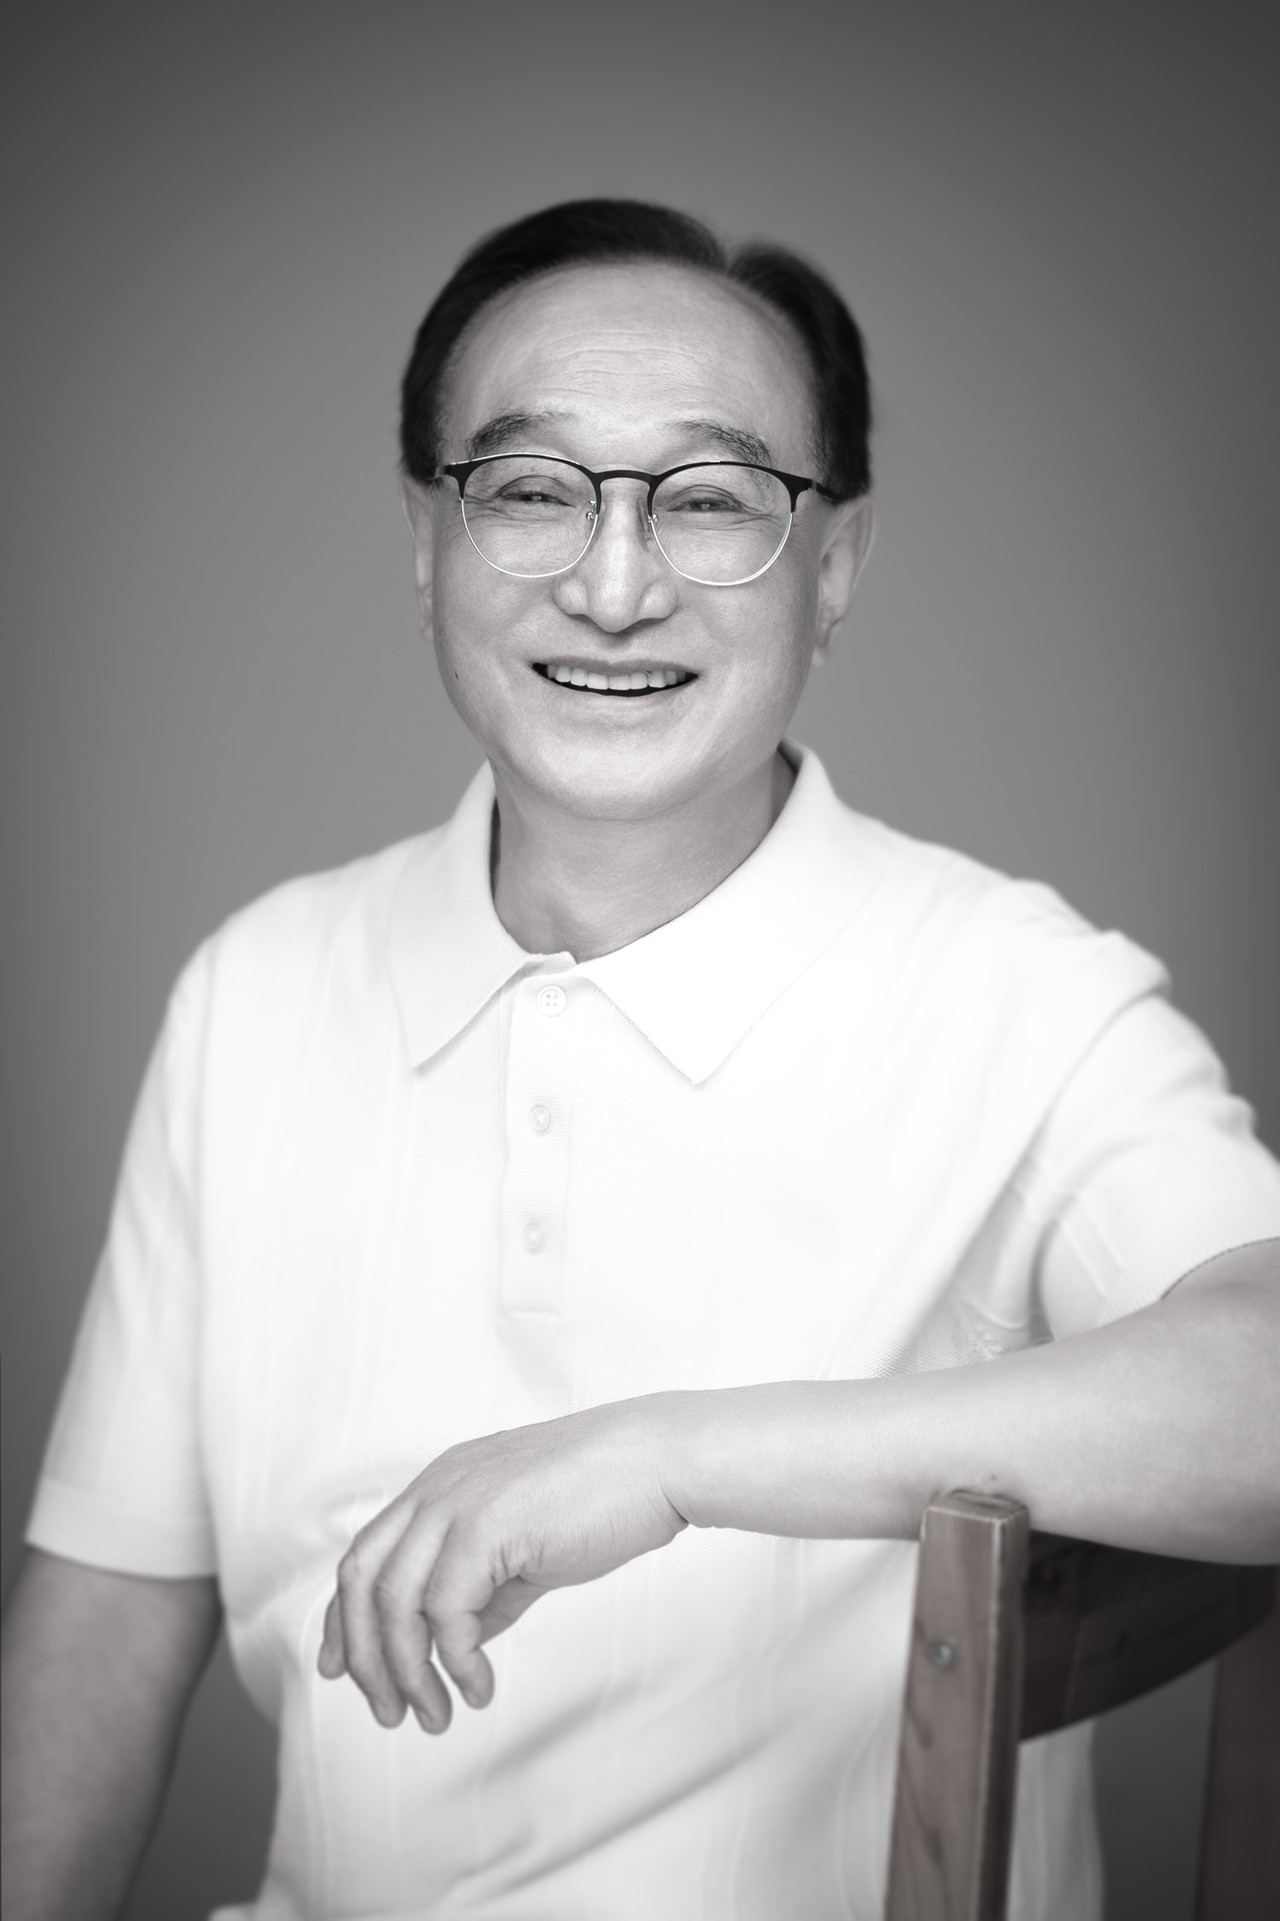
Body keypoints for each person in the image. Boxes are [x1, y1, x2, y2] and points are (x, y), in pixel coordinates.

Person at [3, 198, 1278, 1921]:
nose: (614, 585)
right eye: (532, 490)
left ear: (836, 563)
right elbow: (109, 1600)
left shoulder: (1016, 996)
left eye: (712, 500)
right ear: (425, 537)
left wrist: (670, 1457)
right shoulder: (261, 985)